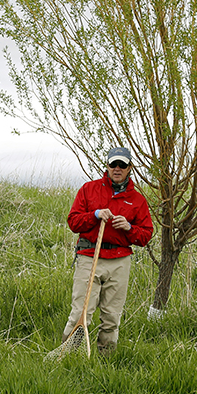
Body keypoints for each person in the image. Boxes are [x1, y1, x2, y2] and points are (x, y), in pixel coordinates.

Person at [62, 146, 154, 355]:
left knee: (112, 316)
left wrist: (129, 228)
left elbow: (146, 235)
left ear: (130, 167)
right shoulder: (88, 189)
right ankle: (67, 355)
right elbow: (73, 222)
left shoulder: (138, 200)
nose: (117, 168)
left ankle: (106, 360)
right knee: (80, 313)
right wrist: (94, 214)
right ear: (107, 166)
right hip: (89, 256)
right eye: (114, 164)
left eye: (122, 165)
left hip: (120, 260)